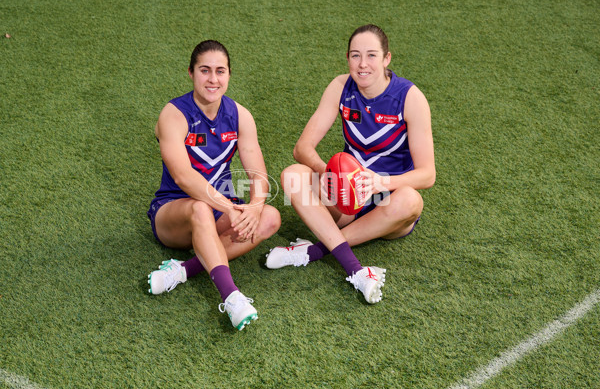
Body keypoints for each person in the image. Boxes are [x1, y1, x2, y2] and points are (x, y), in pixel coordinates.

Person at [265, 24, 435, 304]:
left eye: (371, 55)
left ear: (386, 58)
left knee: (412, 202)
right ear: (348, 59)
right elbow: (302, 148)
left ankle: (315, 251)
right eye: (355, 55)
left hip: (388, 203)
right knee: (293, 176)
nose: (363, 64)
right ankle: (353, 265)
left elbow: (428, 175)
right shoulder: (340, 86)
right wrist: (331, 175)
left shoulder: (410, 98)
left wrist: (381, 183)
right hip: (347, 199)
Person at [146, 40, 281, 330]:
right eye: (204, 70)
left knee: (270, 218)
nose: (213, 79)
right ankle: (231, 296)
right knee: (199, 209)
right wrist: (229, 208)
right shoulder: (174, 115)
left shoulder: (240, 116)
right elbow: (183, 176)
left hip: (219, 210)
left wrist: (255, 208)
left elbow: (258, 175)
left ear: (229, 74)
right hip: (173, 213)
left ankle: (182, 270)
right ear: (191, 73)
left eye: (220, 71)